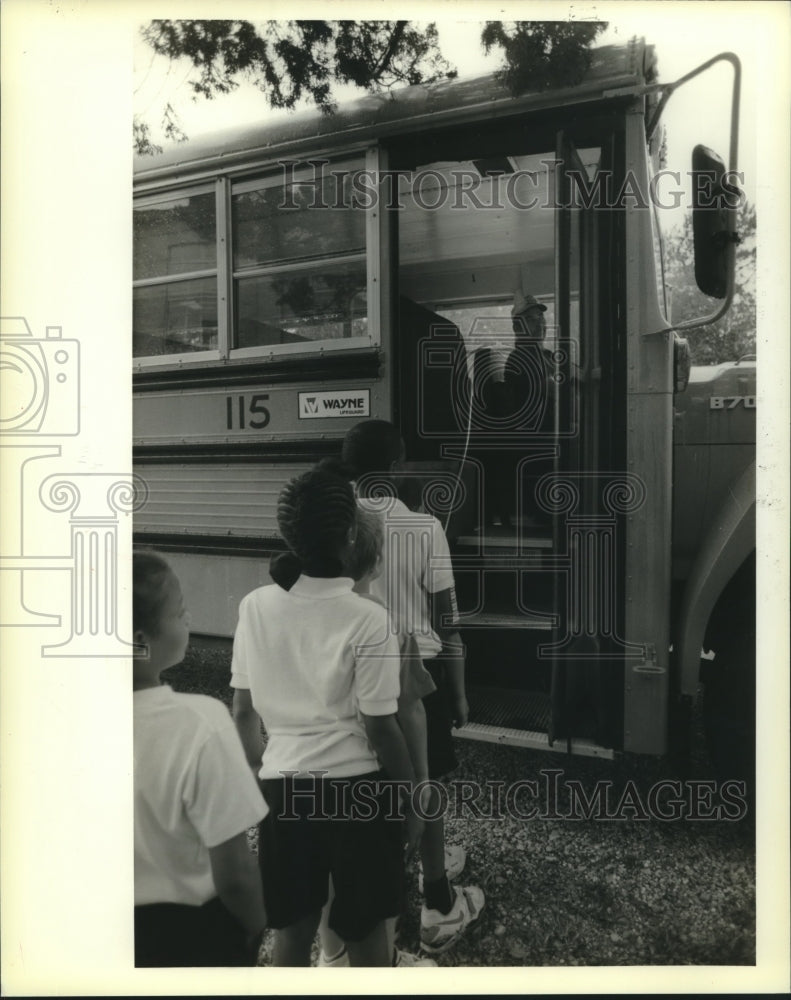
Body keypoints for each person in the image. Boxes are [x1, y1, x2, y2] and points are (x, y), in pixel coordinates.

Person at [230, 466, 423, 967]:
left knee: (291, 933)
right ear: (353, 535)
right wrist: (411, 801)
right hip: (357, 793)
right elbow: (381, 726)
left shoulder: (254, 607)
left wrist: (258, 777)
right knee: (364, 937)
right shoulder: (368, 618)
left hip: (283, 787)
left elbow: (244, 709)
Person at [271, 503, 437, 968]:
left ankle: (331, 953)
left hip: (293, 775)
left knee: (315, 884)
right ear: (377, 562)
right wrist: (418, 788)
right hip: (368, 782)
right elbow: (408, 714)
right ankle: (380, 961)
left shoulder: (274, 613)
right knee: (373, 895)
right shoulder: (384, 624)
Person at [341, 419, 485, 955]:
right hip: (417, 675)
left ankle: (381, 904)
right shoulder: (424, 528)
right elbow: (448, 620)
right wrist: (461, 690)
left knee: (376, 783)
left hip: (354, 671)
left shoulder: (339, 525)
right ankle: (437, 901)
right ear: (398, 468)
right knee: (425, 784)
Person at [133, 550, 268, 967]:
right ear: (139, 641)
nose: (189, 619)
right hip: (187, 937)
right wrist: (254, 925)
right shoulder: (200, 723)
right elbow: (236, 875)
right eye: (180, 612)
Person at [499, 291, 556, 526]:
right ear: (517, 327)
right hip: (535, 443)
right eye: (533, 320)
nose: (541, 324)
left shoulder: (546, 356)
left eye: (541, 319)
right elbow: (550, 391)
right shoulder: (519, 360)